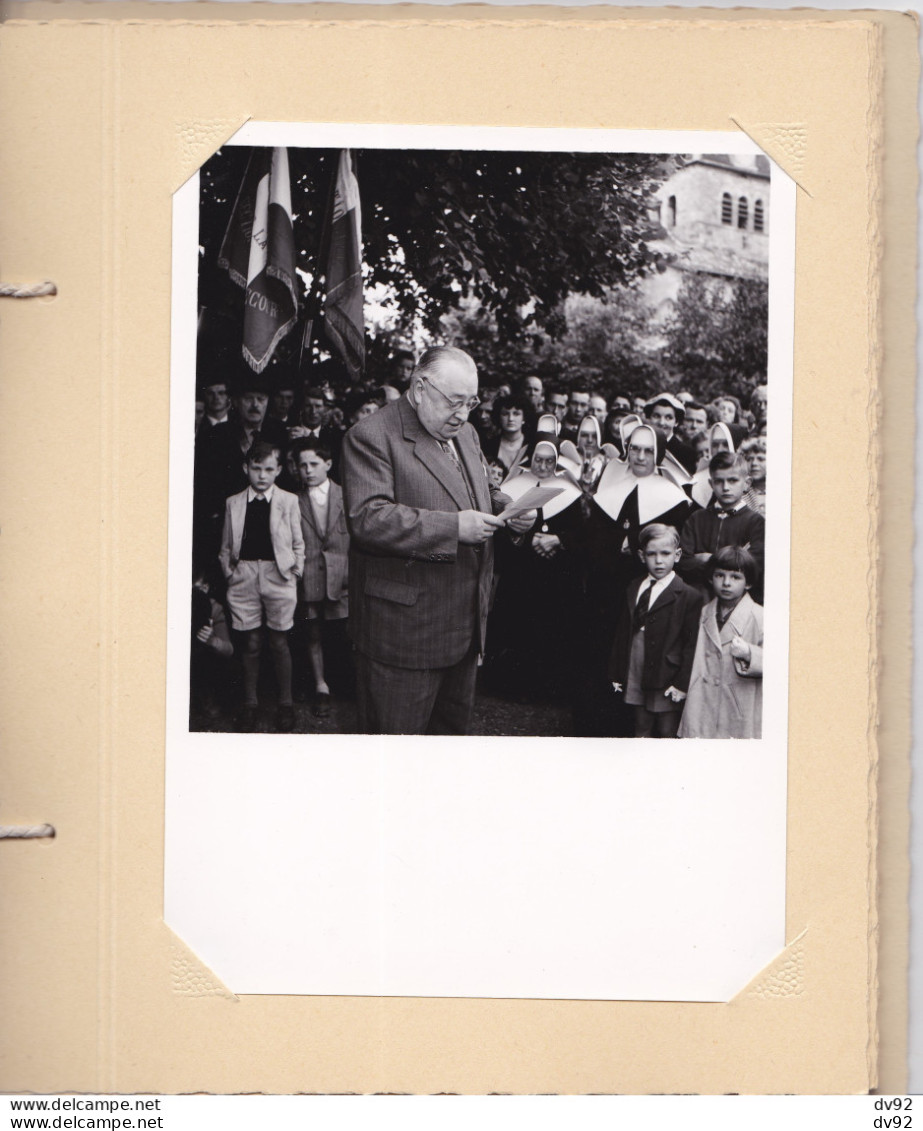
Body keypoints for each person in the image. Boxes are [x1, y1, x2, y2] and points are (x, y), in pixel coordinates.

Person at [341, 346, 534, 735]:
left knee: (447, 756)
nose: (463, 414)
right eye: (454, 402)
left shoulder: (464, 433)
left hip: (463, 628)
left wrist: (510, 509)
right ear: (419, 387)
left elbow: (480, 488)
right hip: (405, 637)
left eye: (472, 402)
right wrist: (452, 529)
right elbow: (368, 518)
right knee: (396, 762)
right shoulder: (371, 436)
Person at [218, 439, 305, 732]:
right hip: (243, 575)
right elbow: (226, 544)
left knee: (279, 641)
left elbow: (297, 542)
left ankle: (286, 704)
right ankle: (250, 703)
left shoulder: (289, 501)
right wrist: (230, 572)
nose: (262, 475)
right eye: (256, 468)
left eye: (269, 469)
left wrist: (295, 571)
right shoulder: (233, 502)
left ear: (279, 470)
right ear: (247, 468)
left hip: (278, 575)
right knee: (251, 642)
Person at [609, 523, 703, 738]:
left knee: (666, 728)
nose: (659, 560)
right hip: (637, 664)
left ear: (677, 555)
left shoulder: (688, 595)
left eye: (665, 553)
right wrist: (617, 670)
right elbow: (623, 633)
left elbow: (691, 645)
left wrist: (681, 683)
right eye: (652, 554)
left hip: (666, 671)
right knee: (641, 725)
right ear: (642, 556)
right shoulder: (635, 587)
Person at [678, 545, 763, 739]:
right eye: (719, 575)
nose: (726, 583)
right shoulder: (702, 613)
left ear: (748, 583)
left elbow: (780, 661)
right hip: (702, 705)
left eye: (735, 577)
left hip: (738, 706)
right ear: (710, 578)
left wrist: (750, 653)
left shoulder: (760, 616)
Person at [293, 439, 349, 719]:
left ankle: (345, 683)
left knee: (344, 632)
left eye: (314, 464)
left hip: (343, 577)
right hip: (310, 577)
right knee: (312, 633)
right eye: (302, 465)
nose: (308, 470)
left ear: (328, 464)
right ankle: (320, 686)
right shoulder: (295, 500)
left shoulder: (346, 495)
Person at [678, 451, 765, 601]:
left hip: (741, 601)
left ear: (747, 484)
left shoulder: (756, 522)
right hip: (700, 598)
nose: (725, 487)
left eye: (732, 481)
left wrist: (707, 560)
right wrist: (735, 559)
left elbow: (753, 568)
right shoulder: (697, 518)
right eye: (719, 481)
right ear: (711, 484)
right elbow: (682, 563)